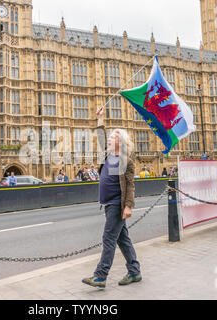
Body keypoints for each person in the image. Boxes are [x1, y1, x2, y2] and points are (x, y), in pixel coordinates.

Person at [82, 106, 140, 289]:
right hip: (108, 204)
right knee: (122, 239)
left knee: (108, 238)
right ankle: (135, 271)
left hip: (117, 204)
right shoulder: (106, 155)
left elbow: (130, 185)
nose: (109, 139)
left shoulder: (127, 161)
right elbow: (100, 138)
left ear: (120, 142)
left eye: (113, 137)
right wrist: (100, 118)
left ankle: (101, 276)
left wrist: (128, 206)